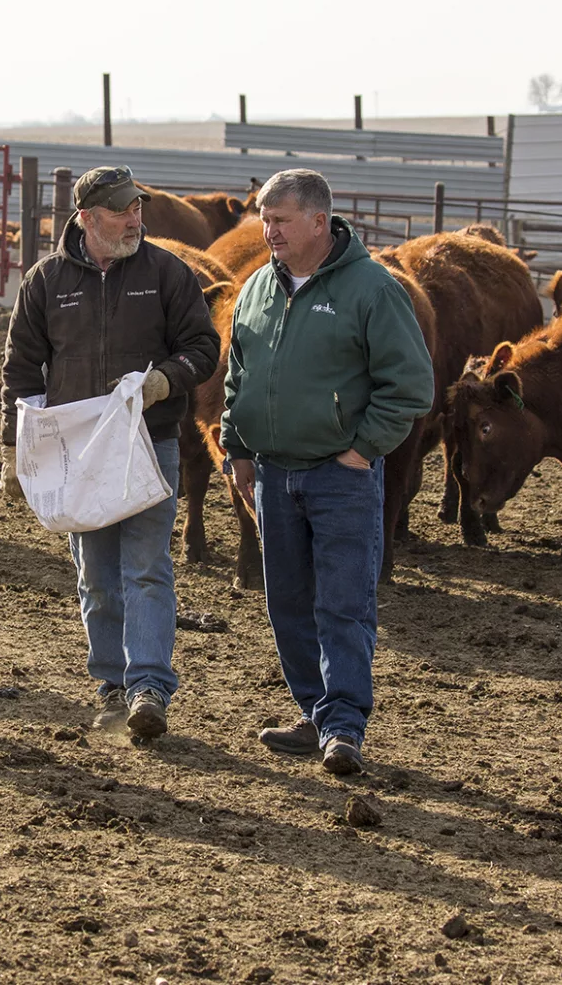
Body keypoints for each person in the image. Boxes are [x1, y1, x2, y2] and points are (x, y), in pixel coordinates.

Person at [220, 169, 432, 776]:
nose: (268, 231)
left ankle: (343, 726)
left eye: (281, 221)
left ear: (319, 221)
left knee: (342, 602)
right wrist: (237, 451)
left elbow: (411, 385)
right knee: (286, 600)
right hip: (272, 471)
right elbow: (240, 375)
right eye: (265, 219)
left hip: (340, 476)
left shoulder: (371, 289)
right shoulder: (258, 287)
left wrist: (362, 450)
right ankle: (314, 712)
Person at [0, 165, 220, 740]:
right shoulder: (46, 282)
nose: (135, 219)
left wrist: (165, 381)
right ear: (87, 218)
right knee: (96, 573)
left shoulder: (168, 273)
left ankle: (148, 686)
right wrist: (12, 450)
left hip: (150, 441)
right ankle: (112, 686)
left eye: (137, 208)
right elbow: (21, 368)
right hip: (78, 449)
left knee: (146, 566)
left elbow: (203, 346)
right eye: (122, 210)